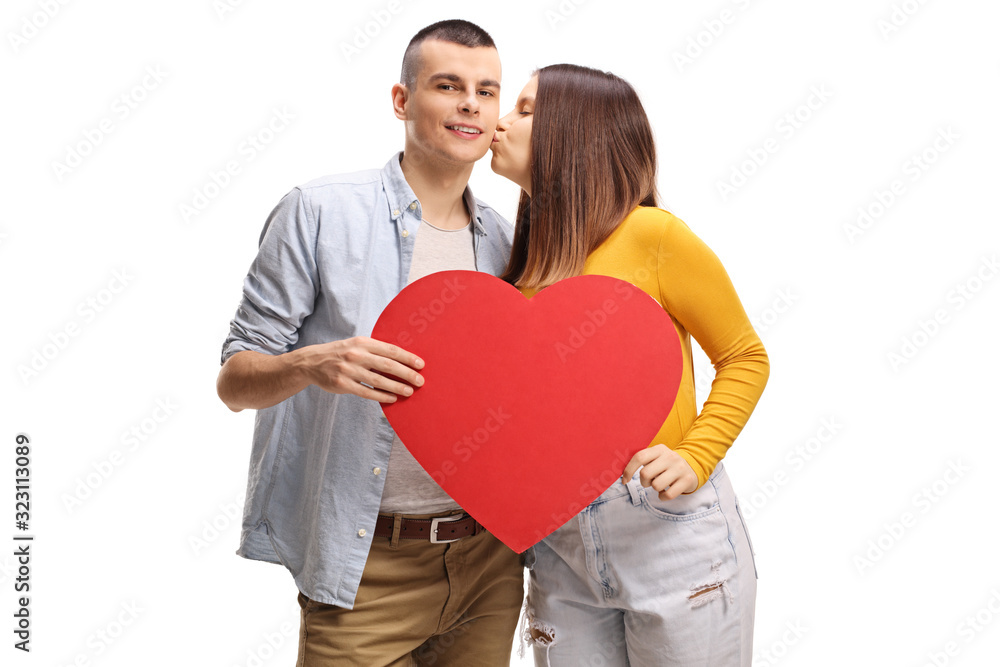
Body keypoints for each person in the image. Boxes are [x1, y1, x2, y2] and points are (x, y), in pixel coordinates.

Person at [216, 20, 524, 666]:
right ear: (401, 100)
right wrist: (312, 363)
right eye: (448, 85)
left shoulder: (506, 243)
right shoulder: (319, 211)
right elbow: (234, 379)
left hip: (488, 567)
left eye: (486, 91)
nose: (470, 103)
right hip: (363, 569)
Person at [490, 64, 769, 666]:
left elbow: (745, 356)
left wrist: (695, 455)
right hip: (560, 546)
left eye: (525, 109)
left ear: (574, 133)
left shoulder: (653, 236)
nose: (500, 121)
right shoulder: (523, 266)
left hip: (669, 532)